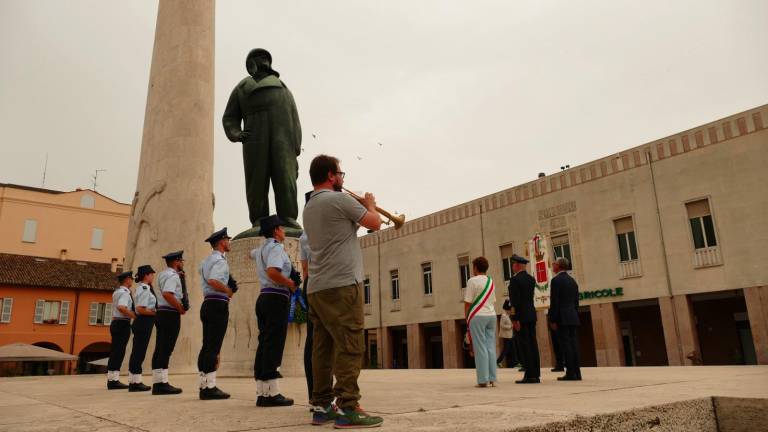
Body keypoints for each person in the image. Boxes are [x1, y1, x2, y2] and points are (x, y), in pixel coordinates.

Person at [303, 154, 384, 428]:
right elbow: (375, 223)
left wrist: (359, 210)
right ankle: (348, 406)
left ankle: (321, 405)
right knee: (350, 345)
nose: (342, 178)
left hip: (316, 287)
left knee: (322, 348)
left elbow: (345, 228)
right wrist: (370, 205)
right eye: (340, 173)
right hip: (342, 285)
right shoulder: (339, 200)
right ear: (330, 175)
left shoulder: (310, 207)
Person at [222, 48, 303, 233]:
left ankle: (288, 218)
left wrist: (295, 147)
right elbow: (230, 117)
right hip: (254, 139)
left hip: (282, 140)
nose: (263, 60)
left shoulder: (283, 89)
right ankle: (259, 219)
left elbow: (294, 119)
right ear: (251, 63)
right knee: (256, 181)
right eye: (259, 57)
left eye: (266, 57)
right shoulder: (242, 88)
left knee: (285, 177)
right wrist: (236, 133)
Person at [251, 215, 297, 407]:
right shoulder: (276, 248)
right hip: (276, 297)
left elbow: (251, 253)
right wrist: (291, 283)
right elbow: (272, 271)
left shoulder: (262, 249)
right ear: (276, 230)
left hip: (264, 297)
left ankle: (262, 391)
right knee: (274, 343)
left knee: (265, 342)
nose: (284, 231)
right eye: (282, 228)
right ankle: (272, 392)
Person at [198, 228, 235, 400]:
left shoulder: (206, 260)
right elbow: (214, 280)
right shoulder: (220, 261)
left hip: (207, 303)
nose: (229, 242)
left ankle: (204, 383)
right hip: (217, 303)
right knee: (214, 345)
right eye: (228, 239)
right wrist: (227, 290)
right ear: (222, 242)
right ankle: (210, 387)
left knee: (207, 345)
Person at [151, 250, 186, 395]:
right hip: (170, 313)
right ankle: (162, 384)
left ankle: (158, 381)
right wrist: (180, 308)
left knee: (160, 347)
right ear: (177, 262)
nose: (183, 263)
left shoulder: (162, 274)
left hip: (161, 312)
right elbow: (167, 293)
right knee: (166, 348)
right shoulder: (172, 276)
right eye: (182, 261)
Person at [464, 257, 497, 387]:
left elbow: (467, 303)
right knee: (490, 347)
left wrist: (466, 318)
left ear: (476, 268)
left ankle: (483, 380)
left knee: (480, 348)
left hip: (477, 316)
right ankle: (492, 378)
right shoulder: (491, 281)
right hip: (492, 315)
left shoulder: (472, 281)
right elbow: (493, 300)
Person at [507, 254, 540, 384]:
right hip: (531, 315)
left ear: (518, 265)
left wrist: (514, 319)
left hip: (521, 317)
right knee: (533, 344)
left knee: (524, 346)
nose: (512, 267)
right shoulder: (531, 279)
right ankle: (536, 373)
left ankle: (530, 375)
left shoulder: (515, 280)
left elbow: (515, 302)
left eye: (513, 264)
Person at [549, 257, 582, 381]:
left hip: (562, 317)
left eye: (555, 263)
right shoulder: (572, 281)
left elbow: (555, 301)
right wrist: (574, 313)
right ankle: (577, 372)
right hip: (572, 316)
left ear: (559, 266)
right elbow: (576, 301)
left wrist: (552, 319)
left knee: (566, 345)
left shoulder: (556, 281)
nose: (553, 265)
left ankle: (570, 373)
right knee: (574, 345)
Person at [128, 265, 156, 392]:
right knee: (139, 351)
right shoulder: (144, 288)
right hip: (144, 321)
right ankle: (136, 381)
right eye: (152, 274)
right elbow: (140, 309)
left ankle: (134, 380)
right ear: (146, 275)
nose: (153, 276)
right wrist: (156, 313)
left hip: (142, 321)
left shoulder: (140, 288)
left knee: (137, 351)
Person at [107, 270, 135, 390]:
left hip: (116, 322)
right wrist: (134, 316)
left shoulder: (117, 292)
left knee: (115, 351)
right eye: (131, 278)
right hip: (122, 322)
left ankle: (112, 378)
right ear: (127, 280)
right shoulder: (125, 293)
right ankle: (114, 380)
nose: (132, 280)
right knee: (119, 352)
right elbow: (121, 307)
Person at [299, 191, 314, 404]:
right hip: (329, 282)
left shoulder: (303, 235)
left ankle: (315, 396)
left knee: (313, 341)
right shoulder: (326, 226)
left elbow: (304, 268)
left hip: (311, 283)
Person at [496, 299, 518, 368]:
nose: (510, 311)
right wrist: (510, 326)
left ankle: (516, 363)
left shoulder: (508, 315)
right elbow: (502, 325)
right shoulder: (504, 315)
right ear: (506, 309)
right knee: (505, 350)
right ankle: (498, 362)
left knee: (514, 349)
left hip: (510, 335)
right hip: (506, 336)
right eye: (509, 310)